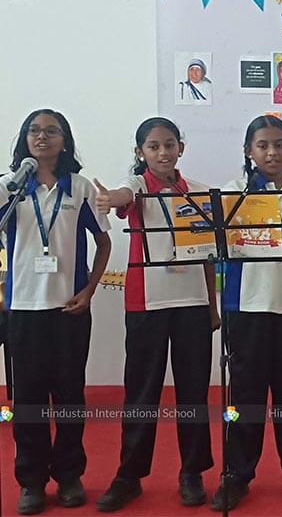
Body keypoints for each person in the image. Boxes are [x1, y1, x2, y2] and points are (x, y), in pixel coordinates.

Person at [92, 117, 219, 512]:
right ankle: (129, 476)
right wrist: (109, 198)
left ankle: (192, 472)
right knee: (141, 393)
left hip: (193, 304)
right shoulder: (137, 187)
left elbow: (207, 256)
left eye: (169, 144)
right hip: (146, 304)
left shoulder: (199, 192)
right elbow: (121, 195)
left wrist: (212, 306)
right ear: (140, 152)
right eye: (153, 146)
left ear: (181, 147)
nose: (163, 152)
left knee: (193, 392)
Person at [211, 115, 282, 511]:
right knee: (244, 395)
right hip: (244, 308)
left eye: (279, 144)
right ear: (249, 151)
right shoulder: (231, 194)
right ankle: (236, 474)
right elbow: (217, 250)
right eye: (262, 145)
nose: (271, 152)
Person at [1, 109, 111, 515]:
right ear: (24, 139)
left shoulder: (79, 188)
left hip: (69, 309)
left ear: (65, 141)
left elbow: (103, 243)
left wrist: (90, 290)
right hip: (23, 309)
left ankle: (68, 475)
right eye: (34, 131)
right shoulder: (9, 188)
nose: (42, 137)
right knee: (28, 400)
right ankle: (31, 481)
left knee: (68, 397)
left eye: (51, 131)